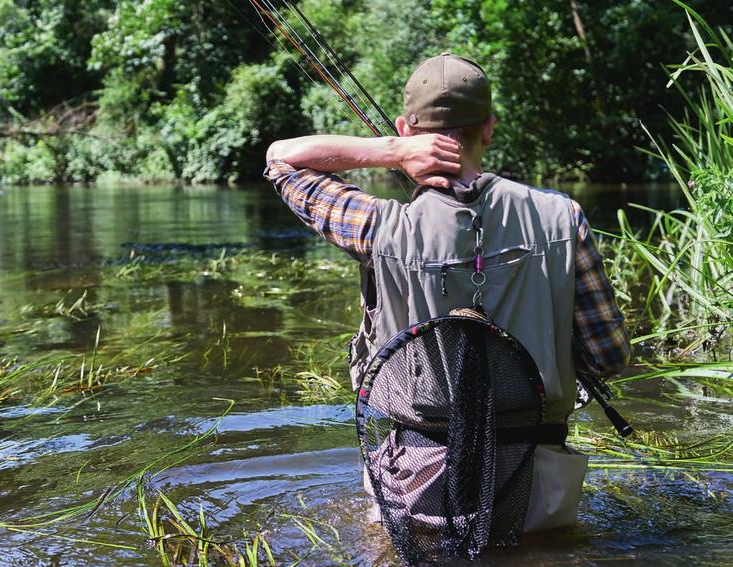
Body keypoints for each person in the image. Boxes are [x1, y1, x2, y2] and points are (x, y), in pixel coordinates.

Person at [264, 53, 630, 534]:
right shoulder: (563, 218)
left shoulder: (376, 227)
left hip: (416, 480)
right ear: (489, 128)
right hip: (538, 481)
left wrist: (390, 151)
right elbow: (608, 356)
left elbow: (281, 159)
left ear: (405, 129)